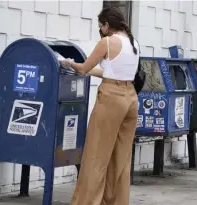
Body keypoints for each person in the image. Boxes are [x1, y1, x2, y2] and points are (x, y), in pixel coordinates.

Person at [59, 7, 140, 205]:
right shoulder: (133, 42)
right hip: (130, 99)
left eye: (100, 26)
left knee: (96, 155)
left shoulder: (107, 42)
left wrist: (68, 63)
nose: (100, 30)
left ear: (106, 25)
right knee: (120, 157)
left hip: (112, 99)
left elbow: (84, 67)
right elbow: (110, 72)